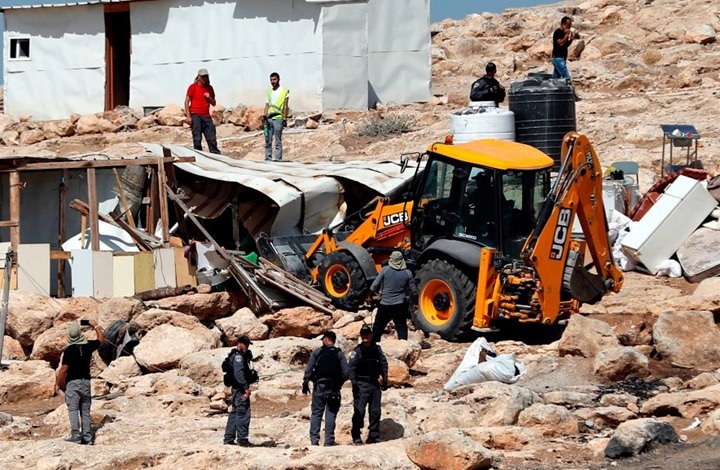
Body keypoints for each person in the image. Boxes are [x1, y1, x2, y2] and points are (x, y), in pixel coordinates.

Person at [55, 319, 105, 445]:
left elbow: (63, 370)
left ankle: (76, 435)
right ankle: (87, 437)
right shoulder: (88, 346)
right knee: (85, 410)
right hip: (86, 382)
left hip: (73, 382)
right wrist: (95, 326)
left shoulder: (70, 350)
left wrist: (59, 384)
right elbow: (101, 340)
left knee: (73, 409)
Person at [302, 331, 349, 446]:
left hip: (319, 386)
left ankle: (314, 440)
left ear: (326, 339)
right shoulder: (339, 353)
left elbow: (309, 368)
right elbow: (346, 372)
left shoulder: (318, 352)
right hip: (333, 388)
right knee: (331, 413)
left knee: (317, 413)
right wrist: (339, 383)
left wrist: (306, 381)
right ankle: (329, 440)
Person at [348, 324, 388, 445]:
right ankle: (356, 435)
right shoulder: (357, 351)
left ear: (371, 335)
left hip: (374, 383)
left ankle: (374, 435)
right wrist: (354, 384)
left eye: (367, 334)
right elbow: (352, 368)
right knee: (359, 411)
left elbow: (383, 363)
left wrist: (385, 379)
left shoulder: (377, 349)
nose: (365, 337)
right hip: (361, 383)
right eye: (363, 335)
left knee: (375, 411)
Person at [369, 251, 418, 342]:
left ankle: (375, 348)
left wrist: (370, 297)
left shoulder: (385, 270)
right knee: (401, 327)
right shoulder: (408, 273)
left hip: (385, 305)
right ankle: (404, 347)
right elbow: (414, 292)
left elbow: (374, 286)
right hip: (400, 305)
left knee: (378, 328)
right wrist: (415, 304)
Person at [223, 336, 255, 446]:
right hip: (240, 389)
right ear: (239, 343)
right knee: (243, 412)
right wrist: (246, 388)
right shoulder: (238, 357)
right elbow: (238, 373)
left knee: (235, 412)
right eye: (245, 344)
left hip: (236, 388)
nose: (246, 347)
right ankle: (242, 439)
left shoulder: (237, 356)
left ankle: (229, 438)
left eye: (248, 345)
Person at [184, 68, 220, 154]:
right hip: (195, 114)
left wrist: (209, 98)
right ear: (199, 77)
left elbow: (214, 103)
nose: (205, 78)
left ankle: (215, 154)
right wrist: (188, 117)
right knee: (197, 137)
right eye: (203, 77)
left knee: (211, 137)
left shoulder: (209, 88)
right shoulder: (193, 87)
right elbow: (186, 101)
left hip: (206, 115)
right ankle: (198, 154)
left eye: (206, 77)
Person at [551, 16, 581, 102]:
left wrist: (571, 39)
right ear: (563, 24)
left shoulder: (564, 33)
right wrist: (567, 34)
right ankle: (572, 96)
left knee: (556, 78)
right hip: (557, 58)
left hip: (561, 58)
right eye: (568, 26)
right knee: (567, 77)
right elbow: (560, 43)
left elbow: (565, 45)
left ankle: (554, 95)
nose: (569, 28)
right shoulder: (558, 32)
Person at [263, 72, 290, 161]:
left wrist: (285, 118)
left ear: (278, 79)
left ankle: (278, 159)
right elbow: (267, 105)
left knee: (277, 141)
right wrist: (264, 116)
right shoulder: (269, 92)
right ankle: (268, 159)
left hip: (278, 118)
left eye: (274, 79)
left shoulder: (284, 91)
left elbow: (286, 106)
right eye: (271, 80)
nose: (272, 81)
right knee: (268, 140)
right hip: (269, 118)